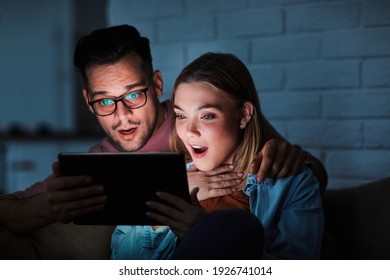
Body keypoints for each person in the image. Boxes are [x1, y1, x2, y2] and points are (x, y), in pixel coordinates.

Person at [0, 25, 326, 259]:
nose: (122, 115)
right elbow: (10, 213)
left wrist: (288, 155)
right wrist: (49, 205)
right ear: (88, 101)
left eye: (132, 94)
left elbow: (308, 176)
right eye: (105, 101)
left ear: (157, 85)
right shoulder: (98, 162)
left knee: (239, 227)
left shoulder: (201, 112)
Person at [111, 52, 324, 260]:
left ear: (243, 115)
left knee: (242, 227)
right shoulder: (162, 180)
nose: (190, 131)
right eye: (181, 116)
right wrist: (163, 213)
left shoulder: (293, 183)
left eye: (207, 116)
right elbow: (119, 260)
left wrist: (206, 231)